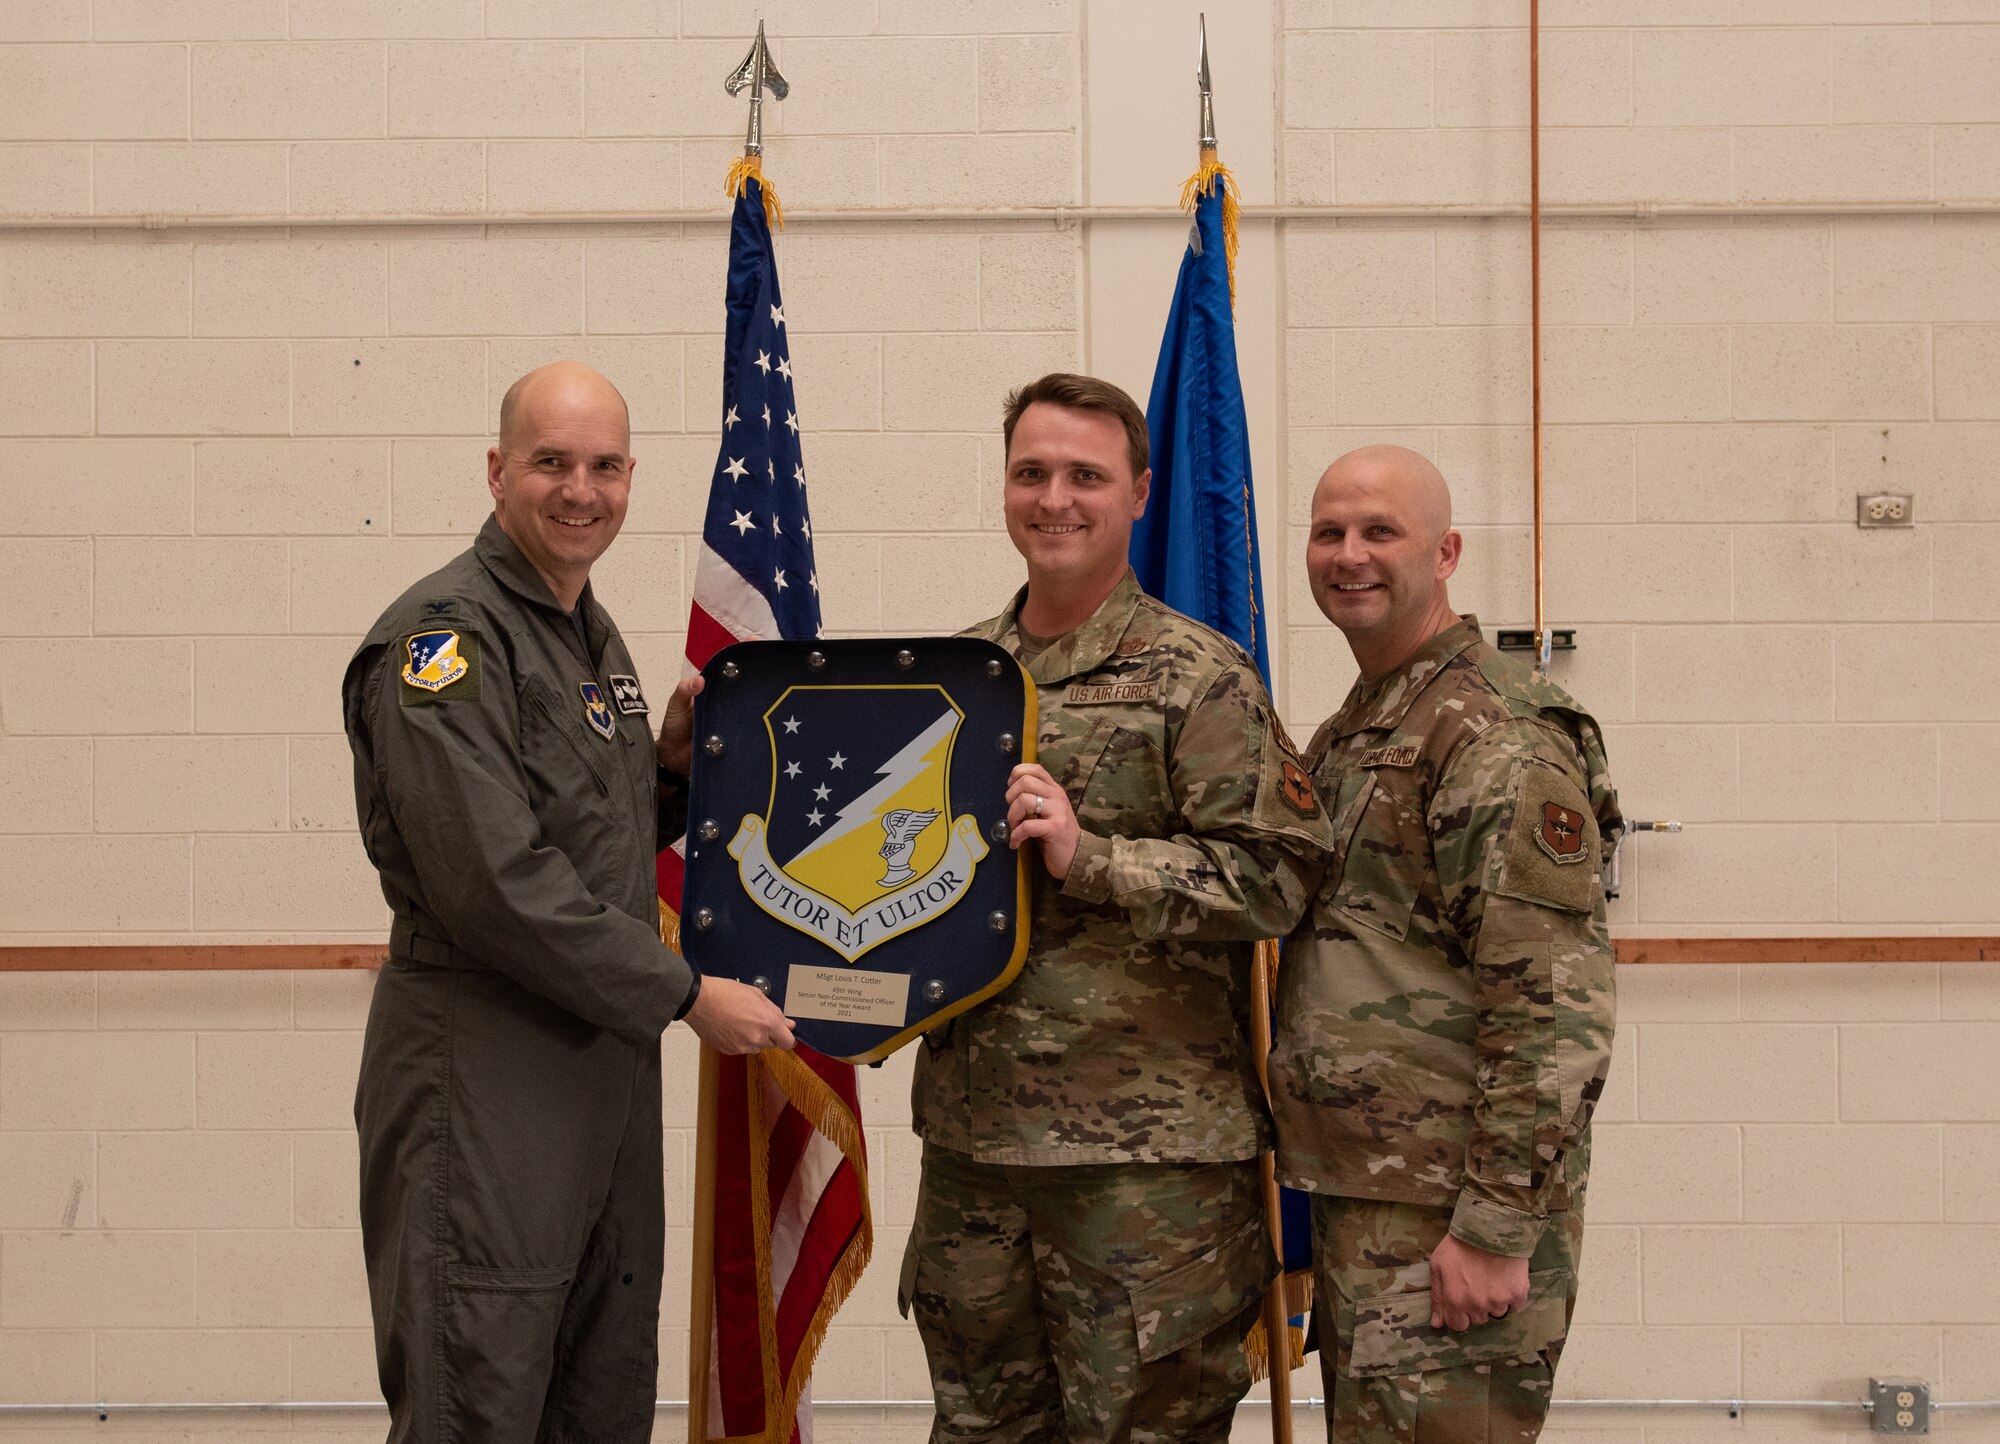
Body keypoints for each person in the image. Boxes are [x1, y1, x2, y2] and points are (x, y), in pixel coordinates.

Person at [341, 361, 791, 1443]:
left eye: (601, 466)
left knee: (598, 1387)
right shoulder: (446, 641)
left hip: (595, 1069)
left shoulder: (580, 630)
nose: (578, 489)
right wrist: (686, 993)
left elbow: (579, 841)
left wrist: (668, 774)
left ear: (631, 477)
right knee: (479, 1394)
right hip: (487, 1069)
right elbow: (495, 883)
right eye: (550, 462)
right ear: (497, 471)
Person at [897, 372, 1335, 1443]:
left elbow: (1278, 880)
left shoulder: (1199, 677)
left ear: (1138, 493)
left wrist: (1093, 858)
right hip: (973, 1151)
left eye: (1085, 475)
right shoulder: (954, 675)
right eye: (1031, 472)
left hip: (1146, 1178)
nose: (1055, 497)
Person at [1270, 445, 1620, 1443]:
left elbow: (1552, 1008)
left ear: (1445, 549)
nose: (1348, 554)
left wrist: (1494, 1225)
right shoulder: (1365, 722)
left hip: (1446, 1222)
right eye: (1328, 530)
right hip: (1370, 1203)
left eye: (1379, 531)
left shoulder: (1490, 730)